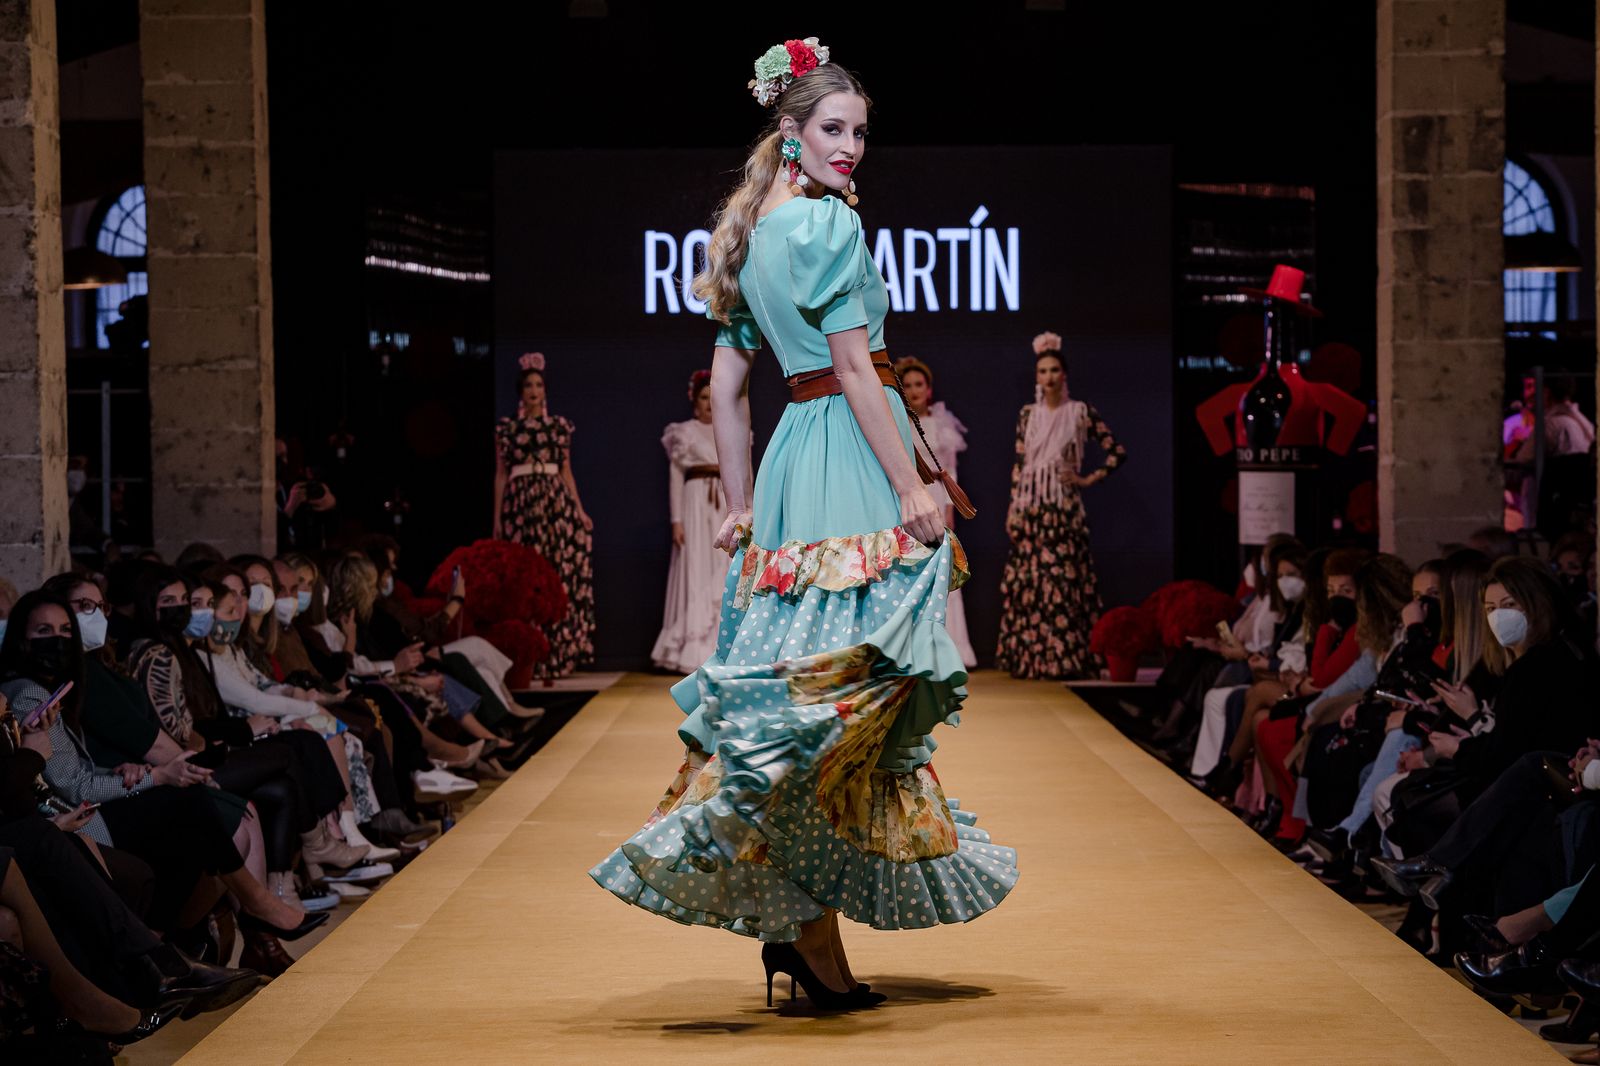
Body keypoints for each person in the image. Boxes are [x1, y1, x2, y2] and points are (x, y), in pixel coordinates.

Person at [590, 38, 1018, 1011]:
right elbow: (858, 369)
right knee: (841, 695)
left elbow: (728, 393)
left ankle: (802, 927)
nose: (851, 147)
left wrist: (742, 503)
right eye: (833, 128)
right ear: (791, 131)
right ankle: (806, 931)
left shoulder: (749, 233)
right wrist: (910, 481)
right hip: (849, 453)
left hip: (793, 460)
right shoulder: (825, 222)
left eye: (860, 131)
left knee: (809, 692)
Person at [995, 330, 1126, 679]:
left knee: (1065, 586)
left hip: (1063, 513)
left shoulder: (1080, 412)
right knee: (1031, 587)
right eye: (1043, 371)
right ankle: (1034, 660)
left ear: (1064, 374)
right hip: (1031, 511)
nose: (1049, 376)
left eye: (1054, 370)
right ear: (1037, 377)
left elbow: (1116, 452)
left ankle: (1065, 660)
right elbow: (1020, 464)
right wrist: (1013, 509)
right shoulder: (1028, 415)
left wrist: (1087, 479)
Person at [492, 351, 596, 679]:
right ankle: (526, 656)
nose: (534, 391)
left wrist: (579, 510)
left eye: (538, 385)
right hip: (520, 506)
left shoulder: (558, 427)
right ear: (520, 391)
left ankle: (557, 654)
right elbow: (500, 475)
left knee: (556, 574)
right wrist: (497, 519)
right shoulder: (507, 429)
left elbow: (566, 472)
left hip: (554, 506)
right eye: (528, 385)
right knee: (525, 579)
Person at [651, 369, 737, 674]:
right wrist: (676, 520)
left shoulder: (732, 428)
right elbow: (676, 477)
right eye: (703, 397)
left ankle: (721, 644)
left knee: (722, 567)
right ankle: (692, 649)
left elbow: (745, 474)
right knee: (696, 566)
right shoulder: (684, 432)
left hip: (724, 503)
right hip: (696, 504)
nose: (708, 403)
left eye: (712, 397)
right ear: (694, 401)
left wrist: (748, 509)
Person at [894, 356, 977, 668]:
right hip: (909, 498)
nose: (915, 390)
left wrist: (949, 508)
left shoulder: (942, 423)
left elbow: (950, 470)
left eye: (919, 384)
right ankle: (914, 647)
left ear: (929, 389)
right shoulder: (897, 423)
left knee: (943, 569)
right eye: (909, 385)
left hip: (937, 497)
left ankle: (951, 646)